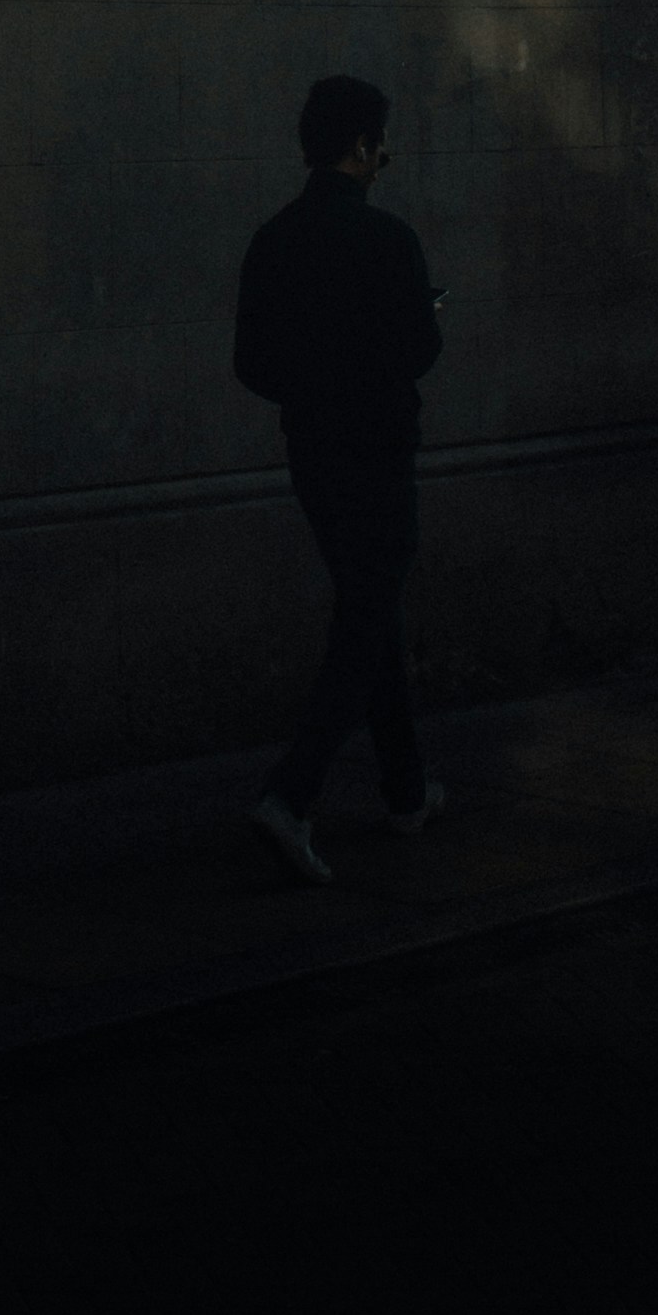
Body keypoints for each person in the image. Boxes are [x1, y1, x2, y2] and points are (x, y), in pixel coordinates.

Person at [235, 72, 446, 877]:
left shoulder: (273, 239)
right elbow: (419, 352)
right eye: (380, 140)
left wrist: (314, 382)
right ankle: (290, 795)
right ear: (360, 145)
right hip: (380, 453)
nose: (385, 154)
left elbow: (251, 361)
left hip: (314, 456)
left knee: (371, 611)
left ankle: (406, 792)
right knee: (366, 621)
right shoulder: (388, 241)